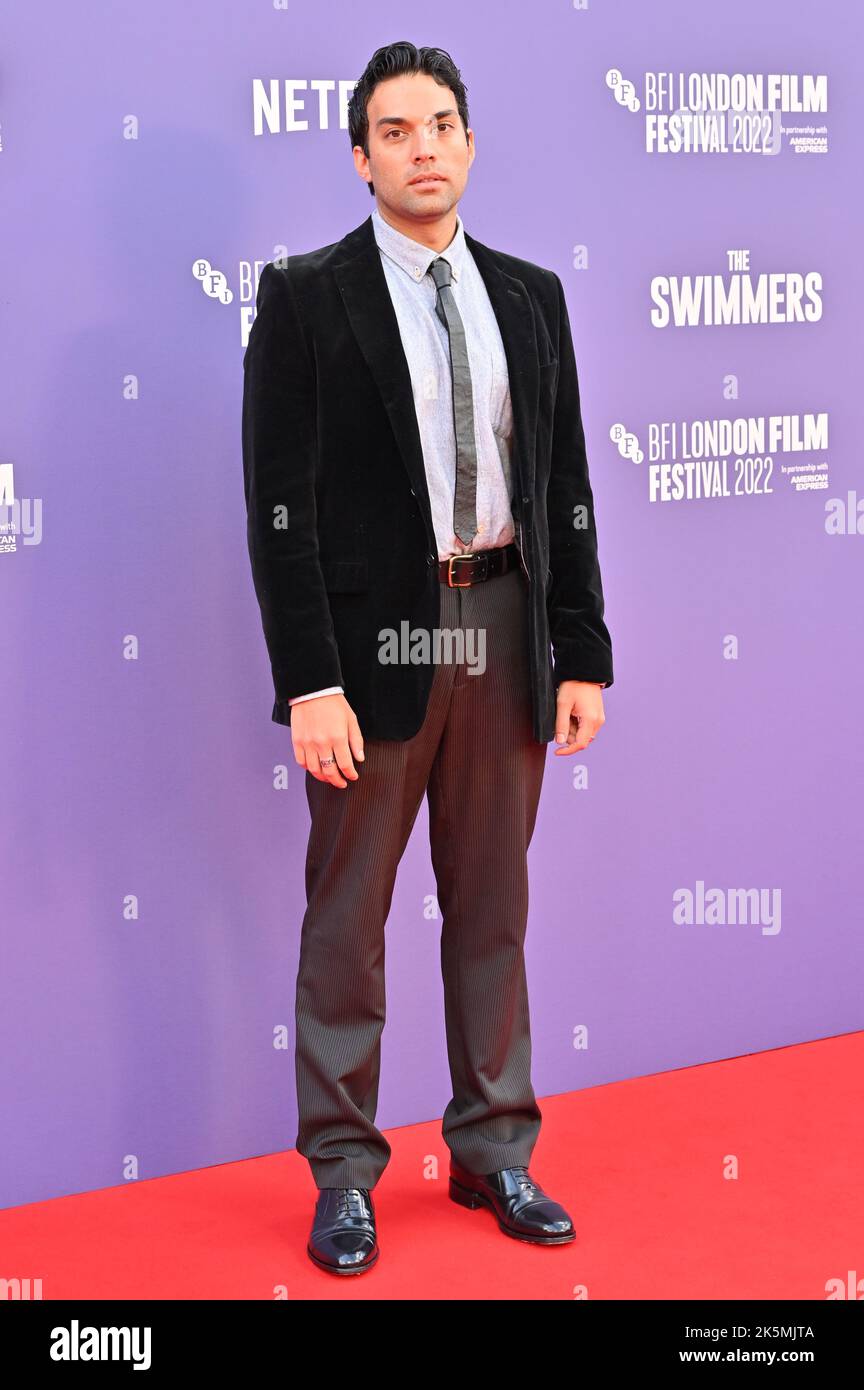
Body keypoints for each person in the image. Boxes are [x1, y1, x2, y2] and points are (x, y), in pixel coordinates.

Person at [241, 41, 614, 1276]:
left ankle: (495, 1149)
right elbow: (277, 505)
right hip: (373, 642)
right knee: (347, 921)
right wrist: (311, 678)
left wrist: (581, 651)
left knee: (493, 903)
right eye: (395, 130)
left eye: (441, 124)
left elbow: (564, 492)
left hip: (506, 626)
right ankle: (343, 1173)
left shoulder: (530, 295)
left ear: (469, 140)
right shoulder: (305, 298)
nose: (423, 148)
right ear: (360, 156)